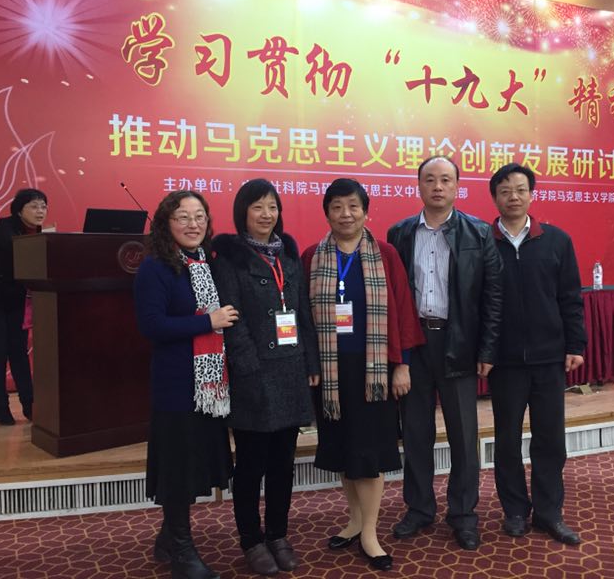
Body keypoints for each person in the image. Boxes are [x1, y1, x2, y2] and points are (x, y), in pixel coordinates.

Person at [301, 179, 424, 572]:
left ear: (366, 211)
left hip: (374, 371)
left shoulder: (385, 254)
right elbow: (303, 317)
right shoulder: (312, 256)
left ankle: (369, 532)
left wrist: (402, 364)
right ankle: (354, 520)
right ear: (327, 212)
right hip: (331, 372)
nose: (346, 214)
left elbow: (403, 308)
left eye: (353, 206)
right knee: (343, 450)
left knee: (368, 454)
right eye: (337, 206)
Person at [387, 156, 503, 551]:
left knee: (463, 436)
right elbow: (393, 297)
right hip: (415, 343)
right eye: (430, 180)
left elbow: (493, 297)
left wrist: (487, 348)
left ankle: (463, 514)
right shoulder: (400, 233)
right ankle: (419, 508)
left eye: (446, 180)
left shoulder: (479, 233)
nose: (438, 187)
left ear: (457, 186)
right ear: (418, 186)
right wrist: (397, 354)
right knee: (415, 432)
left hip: (459, 344)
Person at [213, 179, 320, 577]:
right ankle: (251, 540)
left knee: (282, 464)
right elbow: (232, 321)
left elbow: (302, 313)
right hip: (254, 375)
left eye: (272, 207)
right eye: (258, 207)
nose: (266, 214)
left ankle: (277, 534)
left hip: (290, 370)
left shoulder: (288, 255)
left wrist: (310, 362)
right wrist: (248, 368)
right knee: (251, 465)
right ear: (243, 212)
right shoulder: (229, 258)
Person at [133, 190, 239, 579]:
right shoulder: (155, 267)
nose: (193, 224)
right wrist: (208, 321)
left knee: (194, 463)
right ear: (166, 223)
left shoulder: (207, 261)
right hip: (177, 385)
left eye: (199, 217)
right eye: (183, 217)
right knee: (178, 468)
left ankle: (167, 538)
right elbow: (152, 326)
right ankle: (181, 549)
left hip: (209, 385)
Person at [487, 163, 586, 546]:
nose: (513, 197)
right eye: (505, 191)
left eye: (520, 189)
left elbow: (570, 298)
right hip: (504, 362)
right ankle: (514, 510)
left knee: (550, 440)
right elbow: (477, 303)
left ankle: (549, 512)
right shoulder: (483, 241)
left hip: (548, 359)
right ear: (495, 197)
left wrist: (575, 345)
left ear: (532, 194)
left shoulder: (557, 241)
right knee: (506, 441)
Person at [0, 188, 49, 425]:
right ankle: (1, 406)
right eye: (34, 206)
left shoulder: (40, 233)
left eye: (43, 206)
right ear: (19, 210)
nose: (40, 211)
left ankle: (29, 405)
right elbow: (14, 247)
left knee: (19, 351)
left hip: (15, 299)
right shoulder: (4, 226)